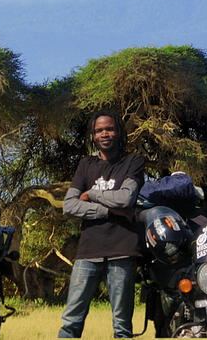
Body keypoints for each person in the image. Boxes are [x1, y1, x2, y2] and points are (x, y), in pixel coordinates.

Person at [59, 110, 146, 338]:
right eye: (98, 131)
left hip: (122, 250)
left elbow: (126, 198)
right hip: (88, 252)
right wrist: (110, 209)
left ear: (118, 132)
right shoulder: (86, 165)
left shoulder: (133, 161)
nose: (104, 134)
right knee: (71, 321)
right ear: (93, 135)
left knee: (122, 326)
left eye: (109, 129)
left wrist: (93, 194)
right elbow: (69, 206)